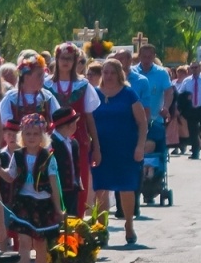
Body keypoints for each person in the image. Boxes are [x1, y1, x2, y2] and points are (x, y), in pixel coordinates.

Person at [0, 114, 65, 263]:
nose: (31, 137)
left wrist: (58, 209)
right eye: (27, 133)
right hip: (24, 203)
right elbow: (10, 176)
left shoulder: (48, 157)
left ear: (42, 135)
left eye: (35, 133)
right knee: (24, 242)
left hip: (43, 204)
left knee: (40, 243)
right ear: (22, 135)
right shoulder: (18, 156)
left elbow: (54, 184)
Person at [91, 58, 148, 245]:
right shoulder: (94, 94)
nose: (108, 76)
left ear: (119, 74)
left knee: (126, 187)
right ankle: (102, 229)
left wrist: (140, 146)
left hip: (125, 149)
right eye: (105, 72)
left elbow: (142, 123)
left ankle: (129, 224)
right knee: (101, 189)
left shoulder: (128, 94)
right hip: (101, 148)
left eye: (112, 72)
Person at [48, 42, 102, 199]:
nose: (65, 62)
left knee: (77, 183)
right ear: (56, 59)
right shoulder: (46, 84)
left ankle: (76, 221)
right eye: (62, 58)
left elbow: (90, 118)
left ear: (75, 61)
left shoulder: (83, 85)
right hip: (51, 142)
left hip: (78, 140)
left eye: (70, 59)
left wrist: (96, 147)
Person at [0, 51, 60, 130]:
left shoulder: (47, 97)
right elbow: (3, 123)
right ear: (26, 77)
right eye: (39, 75)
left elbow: (58, 121)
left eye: (43, 75)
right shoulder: (11, 98)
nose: (43, 78)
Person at [50, 107, 85, 219]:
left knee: (72, 217)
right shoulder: (51, 143)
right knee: (59, 218)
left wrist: (78, 181)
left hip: (72, 188)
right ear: (69, 126)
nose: (76, 126)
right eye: (75, 123)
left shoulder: (73, 142)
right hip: (58, 189)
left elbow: (76, 165)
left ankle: (71, 236)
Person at [134, 43, 175, 128]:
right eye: (144, 57)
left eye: (149, 57)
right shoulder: (132, 72)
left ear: (154, 57)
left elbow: (169, 91)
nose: (146, 60)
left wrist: (166, 107)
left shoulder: (162, 72)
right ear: (139, 56)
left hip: (155, 119)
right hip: (133, 119)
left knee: (152, 141)